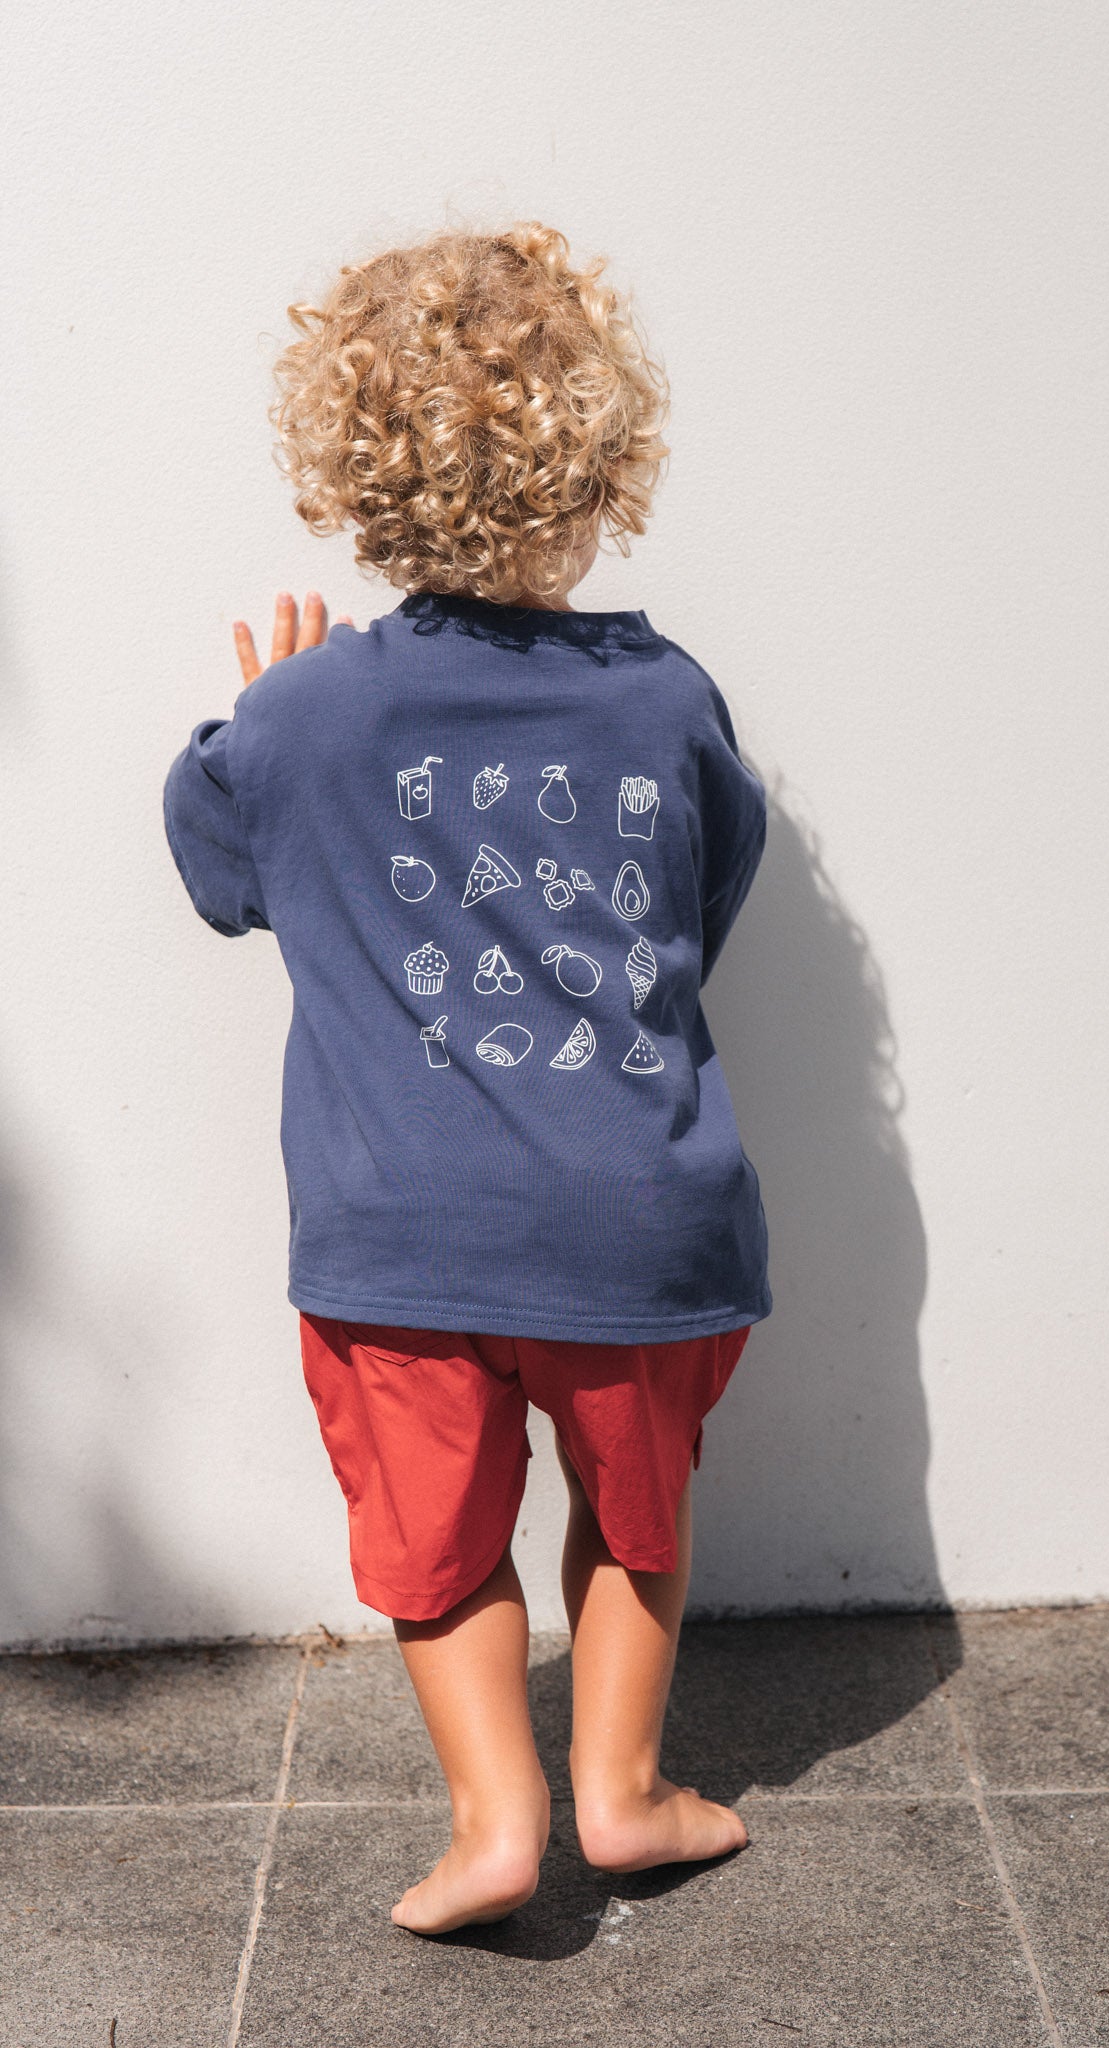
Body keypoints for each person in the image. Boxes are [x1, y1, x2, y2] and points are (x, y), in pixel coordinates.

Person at [162, 222, 770, 1934]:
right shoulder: (665, 700)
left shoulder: (299, 722)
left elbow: (221, 876)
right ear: (596, 457)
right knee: (635, 1522)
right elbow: (699, 907)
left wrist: (260, 721)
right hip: (634, 1225)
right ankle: (627, 1794)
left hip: (397, 1239)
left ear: (354, 473)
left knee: (438, 1548)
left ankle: (498, 1825)